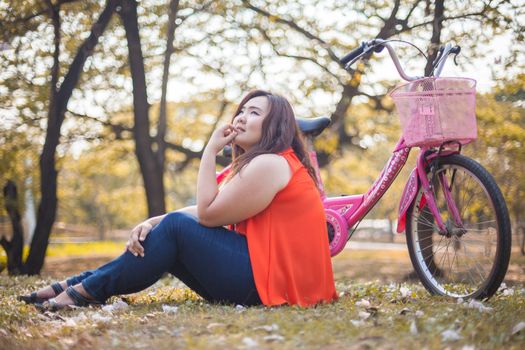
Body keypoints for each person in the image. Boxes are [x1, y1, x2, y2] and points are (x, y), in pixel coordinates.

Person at [19, 90, 337, 309]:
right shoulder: (258, 163)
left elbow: (210, 215)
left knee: (175, 229)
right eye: (241, 110)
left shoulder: (272, 164)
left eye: (253, 112)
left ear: (275, 125)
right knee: (170, 230)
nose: (240, 117)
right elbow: (207, 208)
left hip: (276, 286)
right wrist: (153, 222)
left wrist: (210, 151)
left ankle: (82, 292)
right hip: (264, 279)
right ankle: (77, 287)